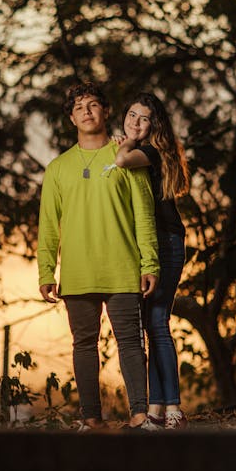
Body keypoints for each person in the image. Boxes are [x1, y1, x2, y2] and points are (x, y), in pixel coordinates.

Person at [38, 82, 160, 431]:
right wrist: (46, 271)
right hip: (77, 272)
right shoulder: (58, 168)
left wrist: (149, 262)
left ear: (106, 112)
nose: (87, 112)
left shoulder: (126, 155)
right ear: (71, 118)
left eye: (93, 105)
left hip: (122, 267)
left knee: (131, 343)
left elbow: (144, 213)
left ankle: (139, 415)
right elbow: (48, 225)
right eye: (79, 108)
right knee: (84, 346)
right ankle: (91, 418)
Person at [114, 92, 190, 429]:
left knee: (157, 321)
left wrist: (124, 144)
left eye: (143, 118)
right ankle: (157, 406)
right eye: (131, 114)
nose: (135, 122)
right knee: (152, 322)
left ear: (153, 125)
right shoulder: (144, 149)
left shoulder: (149, 152)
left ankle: (172, 405)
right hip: (150, 245)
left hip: (167, 242)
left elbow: (120, 163)